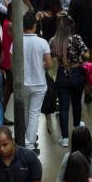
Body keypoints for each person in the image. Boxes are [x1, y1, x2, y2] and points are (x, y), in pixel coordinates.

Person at [50, 12, 88, 145]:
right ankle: (77, 128)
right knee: (77, 103)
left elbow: (51, 56)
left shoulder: (54, 40)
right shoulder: (77, 38)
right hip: (77, 72)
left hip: (62, 74)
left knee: (64, 108)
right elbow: (86, 55)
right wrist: (81, 58)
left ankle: (65, 138)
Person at [21, 12, 52, 151]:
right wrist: (41, 65)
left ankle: (28, 137)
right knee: (34, 113)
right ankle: (29, 142)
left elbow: (13, 61)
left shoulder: (17, 41)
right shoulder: (42, 42)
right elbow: (49, 64)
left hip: (23, 83)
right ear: (34, 26)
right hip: (39, 83)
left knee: (27, 111)